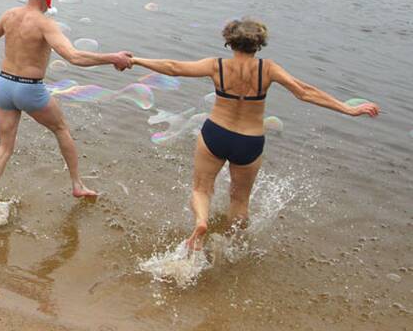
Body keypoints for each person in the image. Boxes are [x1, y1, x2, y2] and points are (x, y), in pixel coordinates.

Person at [130, 18, 380, 250]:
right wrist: (348, 108)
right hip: (249, 141)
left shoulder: (216, 65)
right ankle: (231, 246)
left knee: (202, 189)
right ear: (259, 44)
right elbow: (304, 91)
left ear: (229, 40)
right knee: (239, 200)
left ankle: (201, 223)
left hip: (215, 133)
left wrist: (136, 59)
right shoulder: (268, 69)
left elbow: (173, 67)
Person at [0, 0, 133, 218]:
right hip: (29, 87)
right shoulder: (45, 24)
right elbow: (74, 57)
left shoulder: (9, 15)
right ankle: (77, 184)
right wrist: (112, 58)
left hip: (4, 84)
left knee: (4, 146)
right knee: (61, 129)